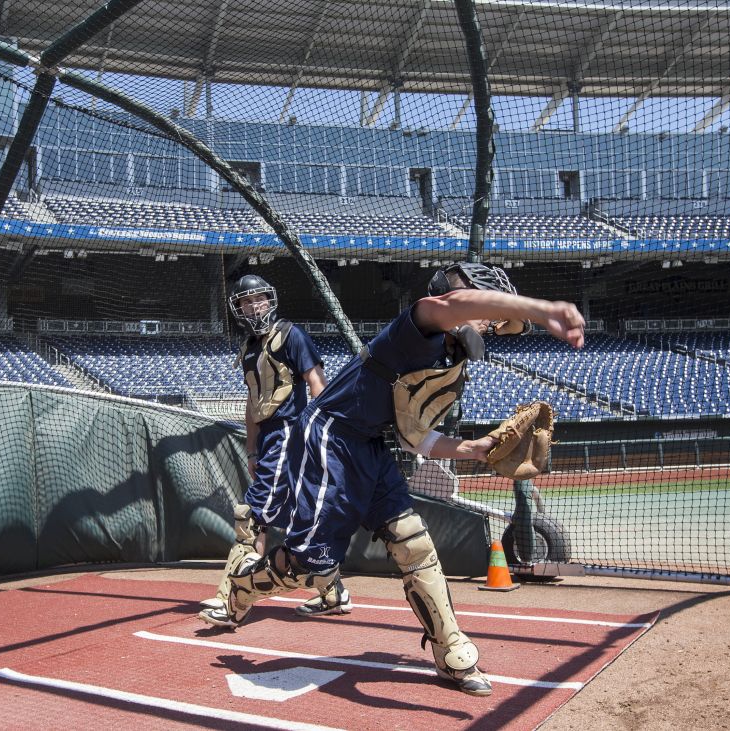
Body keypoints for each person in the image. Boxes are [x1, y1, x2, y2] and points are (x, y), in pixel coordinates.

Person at [198, 262, 586, 696]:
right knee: (310, 567)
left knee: (414, 543)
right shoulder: (417, 328)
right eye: (486, 306)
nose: (492, 321)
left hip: (370, 448)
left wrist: (473, 449)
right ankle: (245, 588)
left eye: (496, 318)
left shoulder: (450, 365)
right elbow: (453, 305)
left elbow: (414, 436)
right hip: (331, 435)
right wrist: (540, 308)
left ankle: (450, 647)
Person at [200, 273, 353, 619]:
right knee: (298, 519)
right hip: (269, 439)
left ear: (270, 300)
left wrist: (324, 435)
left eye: (260, 299)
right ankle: (333, 593)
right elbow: (253, 404)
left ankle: (231, 599)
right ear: (237, 308)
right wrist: (252, 450)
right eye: (246, 301)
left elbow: (318, 384)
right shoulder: (248, 349)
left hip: (290, 431)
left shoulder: (290, 334)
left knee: (251, 516)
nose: (255, 306)